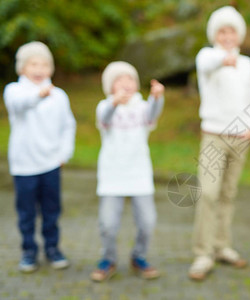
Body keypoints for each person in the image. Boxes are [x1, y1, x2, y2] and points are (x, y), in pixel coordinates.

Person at [189, 6, 250, 281]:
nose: (227, 36)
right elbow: (209, 64)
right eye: (222, 31)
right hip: (214, 136)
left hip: (240, 138)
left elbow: (249, 97)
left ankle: (221, 246)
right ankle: (202, 253)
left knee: (228, 194)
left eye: (232, 31)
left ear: (238, 35)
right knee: (208, 193)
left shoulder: (247, 64)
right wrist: (223, 59)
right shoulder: (207, 56)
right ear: (215, 34)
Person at [3, 41, 76, 273]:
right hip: (24, 165)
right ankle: (28, 250)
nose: (39, 69)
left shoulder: (60, 96)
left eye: (44, 64)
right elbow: (19, 105)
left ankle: (53, 248)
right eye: (33, 63)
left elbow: (68, 125)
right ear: (22, 67)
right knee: (26, 212)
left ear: (51, 68)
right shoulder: (14, 90)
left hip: (50, 164)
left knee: (51, 209)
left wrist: (64, 153)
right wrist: (38, 95)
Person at [90, 61, 164, 282]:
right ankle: (108, 259)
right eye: (119, 80)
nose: (126, 83)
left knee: (148, 221)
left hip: (139, 173)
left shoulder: (142, 107)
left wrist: (158, 97)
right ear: (110, 86)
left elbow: (153, 112)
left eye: (130, 78)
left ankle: (138, 257)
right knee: (108, 224)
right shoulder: (103, 106)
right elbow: (105, 118)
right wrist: (114, 102)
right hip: (112, 175)